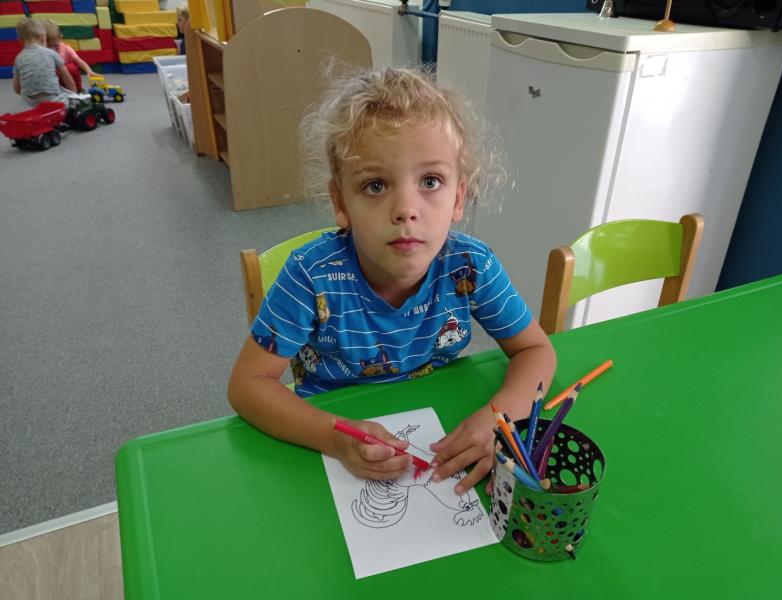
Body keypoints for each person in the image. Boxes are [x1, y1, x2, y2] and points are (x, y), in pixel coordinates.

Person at [228, 66, 557, 496]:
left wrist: (500, 418)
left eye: (431, 181)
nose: (406, 209)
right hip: (325, 442)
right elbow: (247, 386)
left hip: (439, 435)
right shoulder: (310, 276)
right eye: (375, 185)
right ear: (340, 203)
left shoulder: (470, 266)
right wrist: (335, 436)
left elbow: (536, 350)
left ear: (458, 198)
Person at [12, 17, 77, 107]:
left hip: (31, 101)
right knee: (76, 99)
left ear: (20, 40)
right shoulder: (51, 53)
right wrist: (75, 97)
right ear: (42, 37)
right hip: (53, 99)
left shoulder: (18, 58)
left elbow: (17, 89)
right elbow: (68, 80)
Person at [42, 19, 98, 93]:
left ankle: (78, 89)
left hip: (67, 80)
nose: (53, 49)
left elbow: (79, 61)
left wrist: (89, 71)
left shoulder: (66, 49)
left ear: (60, 38)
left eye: (55, 45)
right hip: (51, 81)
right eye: (48, 46)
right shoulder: (40, 51)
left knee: (72, 68)